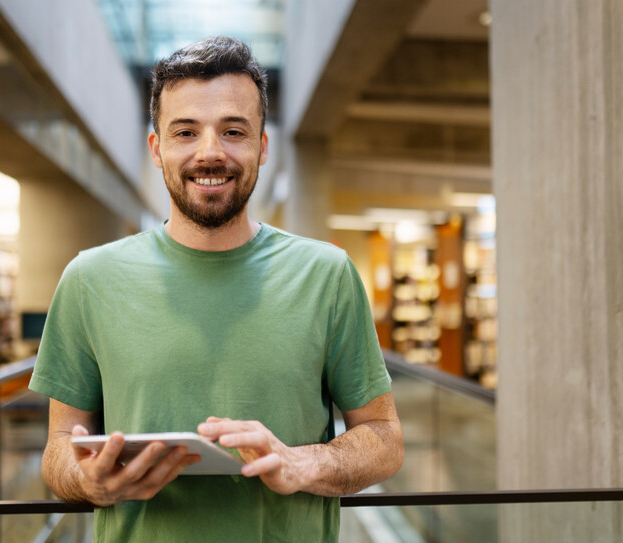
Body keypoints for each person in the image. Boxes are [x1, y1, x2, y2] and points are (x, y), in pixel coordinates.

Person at [30, 36, 404, 542]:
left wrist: (301, 463)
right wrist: (88, 480)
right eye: (186, 132)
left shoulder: (327, 274)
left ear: (262, 147)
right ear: (157, 149)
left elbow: (384, 438)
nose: (211, 153)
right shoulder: (89, 279)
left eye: (233, 131)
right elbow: (58, 448)